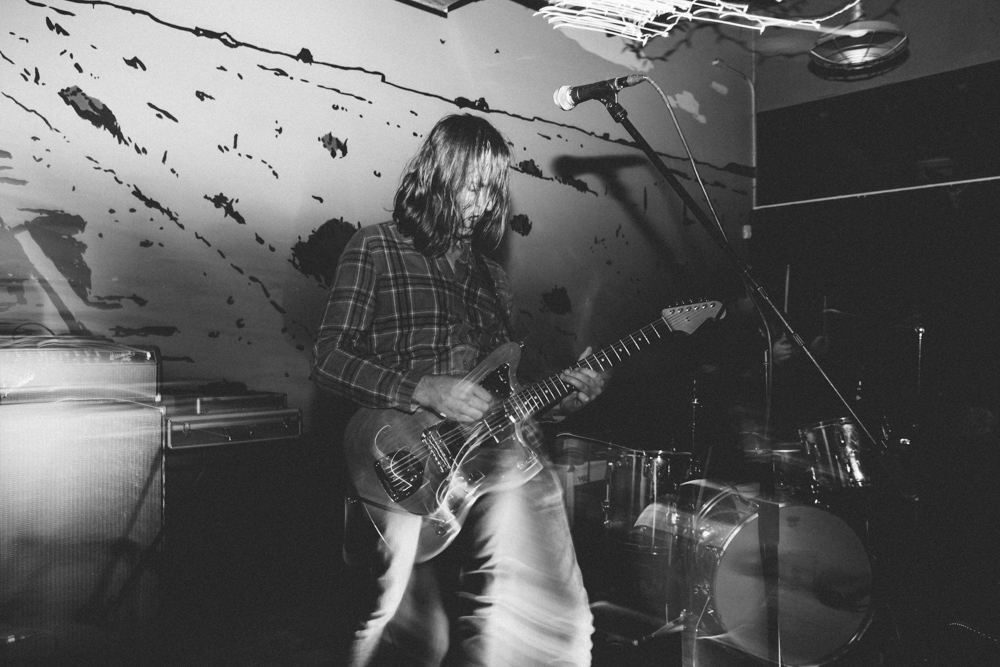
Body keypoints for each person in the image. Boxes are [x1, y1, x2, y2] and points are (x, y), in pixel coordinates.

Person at [312, 113, 607, 667]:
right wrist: (424, 389)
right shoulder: (375, 248)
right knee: (399, 628)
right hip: (398, 451)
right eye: (474, 185)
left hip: (484, 461)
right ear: (436, 176)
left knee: (545, 624)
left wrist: (560, 398)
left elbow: (504, 390)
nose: (483, 202)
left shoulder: (491, 278)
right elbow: (329, 358)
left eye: (492, 189)